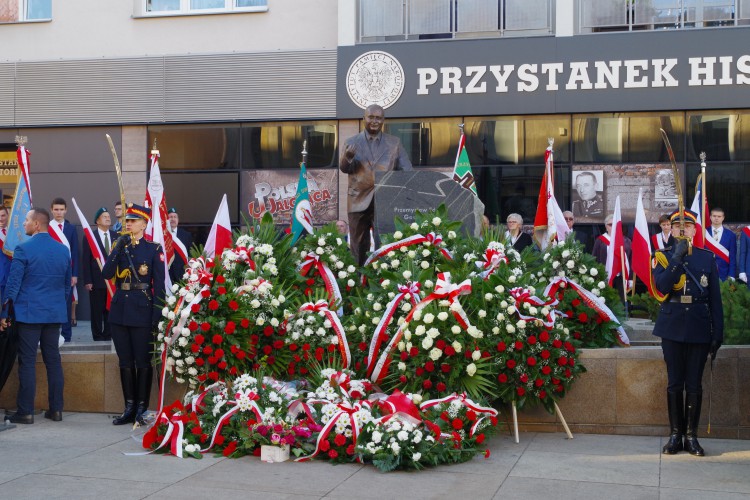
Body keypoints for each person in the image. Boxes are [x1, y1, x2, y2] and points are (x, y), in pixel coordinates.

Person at [652, 209, 722, 457]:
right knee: (674, 384)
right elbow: (661, 287)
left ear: (694, 230)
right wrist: (676, 259)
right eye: (677, 226)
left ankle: (691, 436)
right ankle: (675, 435)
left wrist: (718, 332)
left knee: (694, 384)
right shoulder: (662, 257)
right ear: (670, 229)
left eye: (687, 227)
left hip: (699, 327)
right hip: (671, 327)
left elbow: (715, 298)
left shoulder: (706, 258)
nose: (683, 231)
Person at [2, 208, 71, 424]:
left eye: (27, 220)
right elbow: (66, 286)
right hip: (54, 313)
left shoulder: (23, 249)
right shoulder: (63, 250)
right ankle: (56, 410)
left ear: (37, 225)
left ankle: (26, 411)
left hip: (29, 314)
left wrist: (4, 312)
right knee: (53, 361)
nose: (24, 224)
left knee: (28, 362)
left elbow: (13, 284)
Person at [102, 204, 165, 426]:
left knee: (142, 361)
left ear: (144, 224)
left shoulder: (153, 249)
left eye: (133, 220)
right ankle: (129, 407)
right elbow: (107, 273)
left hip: (142, 309)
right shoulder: (121, 246)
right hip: (120, 310)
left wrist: (158, 314)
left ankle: (141, 408)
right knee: (125, 361)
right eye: (127, 220)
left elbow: (160, 284)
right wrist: (117, 248)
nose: (128, 224)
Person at [339, 104, 412, 265]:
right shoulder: (351, 141)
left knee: (385, 243)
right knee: (357, 246)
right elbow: (344, 168)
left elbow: (407, 171)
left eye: (378, 118)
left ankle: (382, 281)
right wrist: (348, 157)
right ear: (364, 118)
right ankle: (357, 281)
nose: (374, 121)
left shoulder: (395, 143)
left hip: (384, 201)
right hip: (358, 200)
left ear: (383, 120)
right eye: (371, 117)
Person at [82, 207, 117, 341]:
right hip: (96, 280)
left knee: (110, 309)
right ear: (97, 221)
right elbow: (86, 260)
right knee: (96, 310)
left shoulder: (116, 236)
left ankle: (108, 334)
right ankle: (97, 335)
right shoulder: (90, 237)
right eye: (104, 216)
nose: (108, 218)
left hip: (113, 281)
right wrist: (88, 280)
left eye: (109, 216)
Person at [50, 198, 79, 342]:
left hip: (67, 273)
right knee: (51, 303)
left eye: (61, 209)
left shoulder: (71, 228)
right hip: (51, 273)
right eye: (56, 209)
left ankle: (67, 334)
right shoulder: (48, 228)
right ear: (51, 210)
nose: (59, 212)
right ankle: (51, 334)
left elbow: (75, 252)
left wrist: (75, 274)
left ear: (66, 210)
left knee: (67, 305)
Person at [708, 207, 737, 281]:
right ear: (710, 217)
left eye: (719, 216)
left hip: (724, 274)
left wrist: (731, 275)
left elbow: (732, 257)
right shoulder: (703, 233)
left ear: (723, 218)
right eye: (714, 216)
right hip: (706, 273)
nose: (716, 218)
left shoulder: (731, 235)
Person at [167, 207, 193, 283]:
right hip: (168, 272)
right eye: (170, 217)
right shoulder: (163, 235)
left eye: (175, 217)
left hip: (182, 272)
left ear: (178, 220)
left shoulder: (186, 235)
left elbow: (190, 253)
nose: (173, 219)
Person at [0, 206, 12, 299]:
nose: (1, 218)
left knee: (8, 310)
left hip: (11, 277)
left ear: (8, 215)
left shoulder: (14, 233)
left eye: (3, 215)